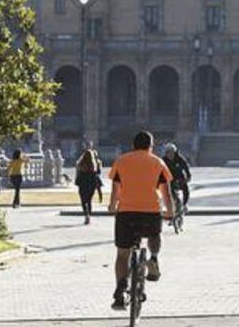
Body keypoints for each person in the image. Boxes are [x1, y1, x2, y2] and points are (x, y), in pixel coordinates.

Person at [108, 131, 174, 310]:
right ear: (151, 146)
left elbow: (115, 190)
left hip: (126, 212)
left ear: (133, 145)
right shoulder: (158, 162)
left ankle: (121, 288)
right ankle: (153, 258)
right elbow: (166, 192)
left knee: (122, 254)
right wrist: (170, 212)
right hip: (150, 211)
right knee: (154, 235)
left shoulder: (121, 161)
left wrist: (112, 206)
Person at [75, 149, 101, 224]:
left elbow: (78, 174)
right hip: (91, 184)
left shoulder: (80, 164)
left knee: (83, 201)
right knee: (89, 201)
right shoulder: (93, 165)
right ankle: (89, 214)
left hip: (82, 184)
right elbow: (96, 174)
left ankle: (86, 214)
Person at [162, 143, 192, 209]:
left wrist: (188, 176)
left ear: (174, 152)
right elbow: (159, 170)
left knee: (185, 188)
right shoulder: (163, 160)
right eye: (168, 153)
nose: (170, 155)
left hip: (180, 177)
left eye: (171, 153)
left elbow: (186, 167)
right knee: (169, 190)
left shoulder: (180, 159)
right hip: (170, 178)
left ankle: (185, 204)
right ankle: (173, 203)